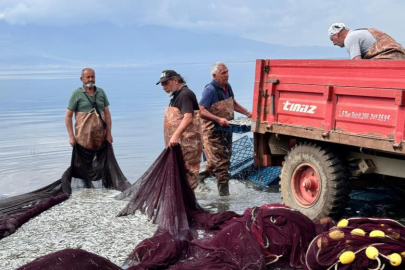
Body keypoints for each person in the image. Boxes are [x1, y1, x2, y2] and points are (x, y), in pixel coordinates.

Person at [198, 62, 252, 196]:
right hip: (212, 132)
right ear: (214, 75)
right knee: (221, 166)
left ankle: (197, 177)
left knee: (223, 161)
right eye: (224, 73)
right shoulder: (210, 90)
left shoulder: (227, 87)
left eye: (227, 72)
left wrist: (247, 113)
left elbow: (232, 103)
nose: (227, 75)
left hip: (226, 130)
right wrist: (218, 119)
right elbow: (200, 110)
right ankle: (224, 199)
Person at [156, 70, 203, 189]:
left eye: (166, 83)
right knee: (180, 177)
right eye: (162, 85)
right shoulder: (176, 96)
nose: (164, 88)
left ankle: (187, 205)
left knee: (187, 178)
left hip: (188, 145)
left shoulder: (184, 95)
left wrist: (175, 136)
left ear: (175, 81)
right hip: (180, 145)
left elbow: (188, 117)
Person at [65, 68, 113, 149]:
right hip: (83, 139)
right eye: (88, 77)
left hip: (101, 137)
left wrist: (108, 134)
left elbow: (107, 113)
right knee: (83, 161)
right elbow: (68, 117)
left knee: (103, 161)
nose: (90, 79)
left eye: (93, 77)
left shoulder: (101, 92)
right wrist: (71, 137)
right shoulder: (76, 94)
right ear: (81, 79)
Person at [328, 23, 405, 60]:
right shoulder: (363, 31)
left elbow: (358, 63)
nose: (334, 44)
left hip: (388, 61)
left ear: (336, 35)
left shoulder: (349, 38)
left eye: (332, 40)